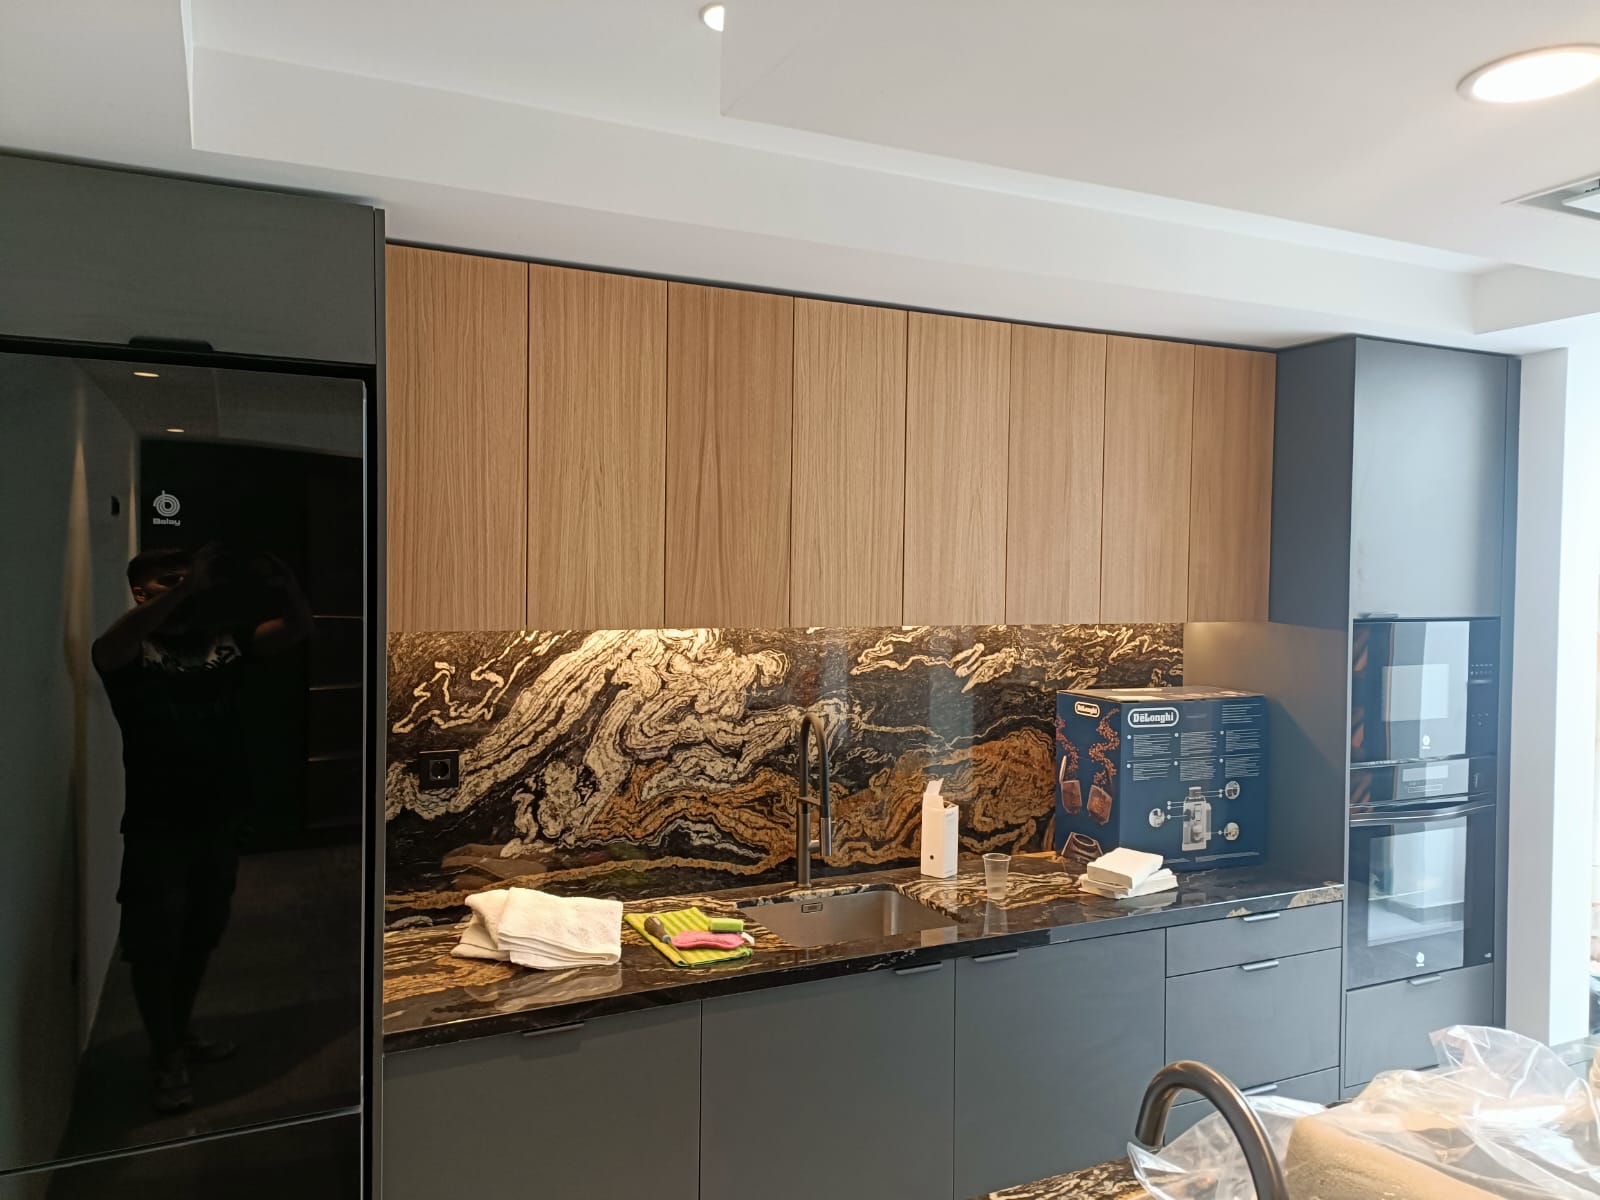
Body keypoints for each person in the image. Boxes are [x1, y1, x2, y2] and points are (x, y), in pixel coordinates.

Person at [92, 543, 313, 1114]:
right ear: (140, 592)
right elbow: (107, 649)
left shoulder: (224, 640)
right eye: (168, 580)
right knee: (154, 945)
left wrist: (284, 582)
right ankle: (165, 1057)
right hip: (158, 823)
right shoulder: (131, 649)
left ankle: (179, 1032)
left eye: (187, 578)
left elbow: (295, 629)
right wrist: (188, 588)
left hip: (220, 818)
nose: (185, 587)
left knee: (199, 936)